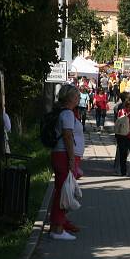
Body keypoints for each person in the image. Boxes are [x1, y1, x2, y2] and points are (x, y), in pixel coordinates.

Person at [50, 84, 84, 240]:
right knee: (64, 192)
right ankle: (57, 230)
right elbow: (68, 136)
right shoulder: (68, 115)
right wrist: (71, 159)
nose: (78, 98)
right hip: (65, 156)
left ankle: (60, 223)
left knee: (63, 190)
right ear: (70, 98)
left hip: (63, 155)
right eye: (76, 96)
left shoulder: (66, 113)